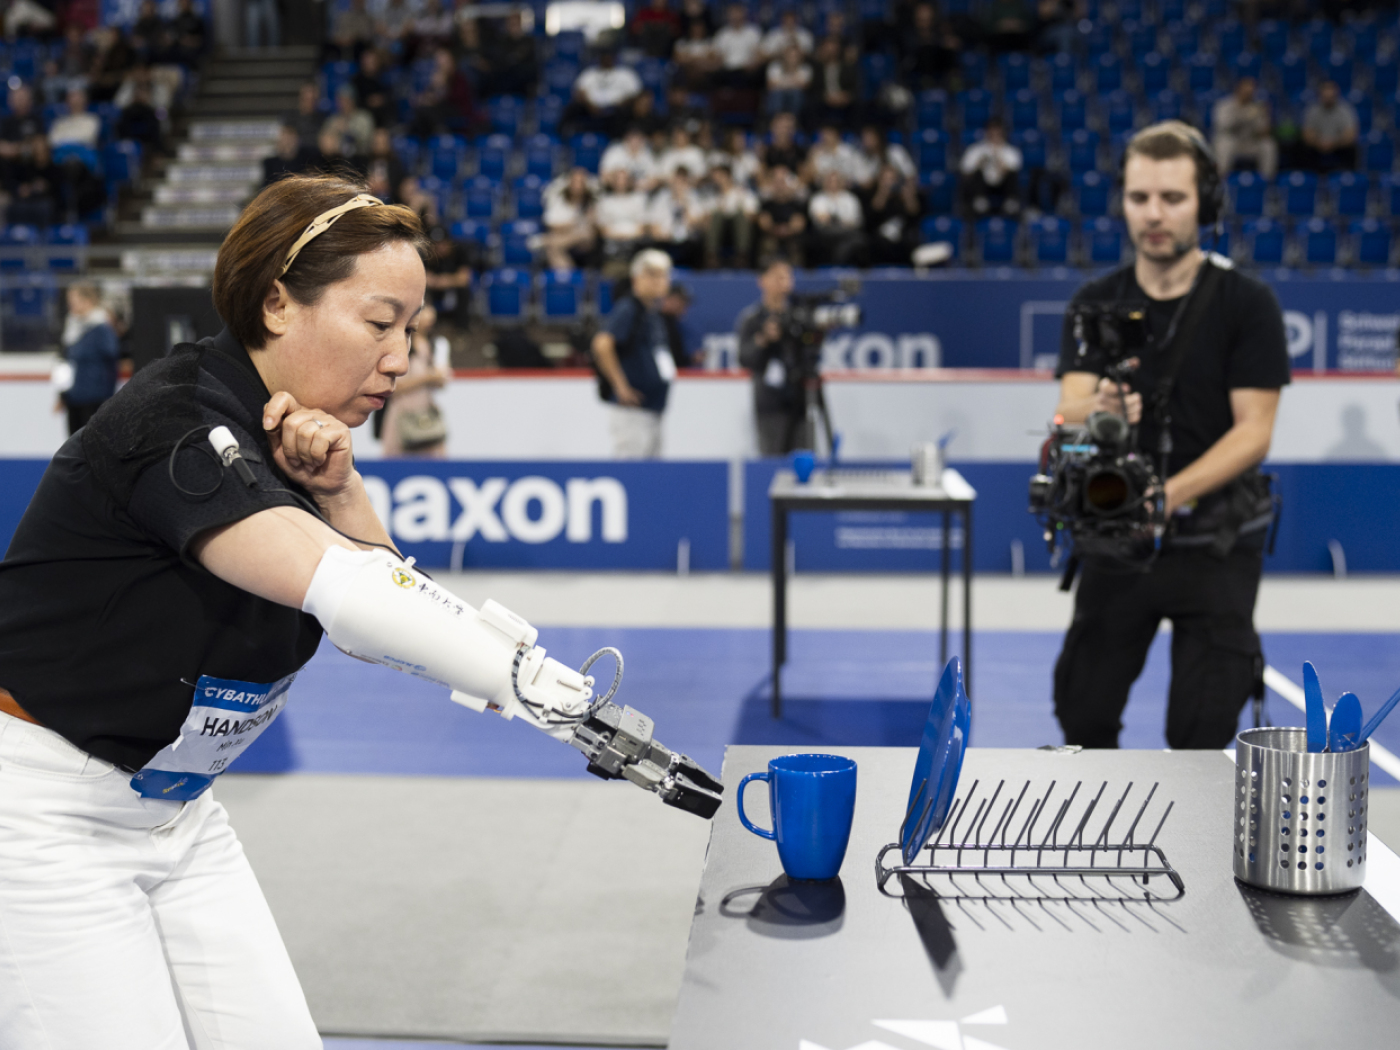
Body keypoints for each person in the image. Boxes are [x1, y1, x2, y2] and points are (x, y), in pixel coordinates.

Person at [0, 175, 619, 1047]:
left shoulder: (298, 440)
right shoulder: (175, 423)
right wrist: (543, 688)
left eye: (410, 329)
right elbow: (352, 596)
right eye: (379, 324)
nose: (400, 357)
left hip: (179, 810)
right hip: (41, 816)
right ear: (278, 302)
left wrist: (345, 489)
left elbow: (393, 606)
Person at [1052, 121, 1290, 750]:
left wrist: (1165, 497)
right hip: (1115, 543)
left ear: (1205, 204)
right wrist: (1097, 404)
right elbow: (1069, 405)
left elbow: (1254, 433)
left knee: (1202, 732)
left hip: (1214, 544)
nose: (1153, 215)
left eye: (1172, 198)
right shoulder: (1095, 301)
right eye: (1139, 198)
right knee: (1083, 712)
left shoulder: (1247, 303)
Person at [590, 249, 675, 458]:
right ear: (637, 278)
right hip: (632, 410)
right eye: (651, 274)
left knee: (650, 477)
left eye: (663, 275)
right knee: (632, 472)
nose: (658, 281)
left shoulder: (652, 313)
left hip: (652, 408)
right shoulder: (629, 308)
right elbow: (602, 344)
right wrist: (621, 387)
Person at [736, 259, 810, 455]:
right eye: (777, 276)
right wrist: (764, 339)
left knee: (804, 458)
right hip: (769, 404)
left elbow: (810, 353)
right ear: (762, 281)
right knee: (772, 460)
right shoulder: (752, 319)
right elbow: (744, 359)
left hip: (800, 399)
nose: (783, 282)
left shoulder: (800, 316)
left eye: (787, 276)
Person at [381, 302, 451, 456]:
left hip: (427, 414)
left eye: (430, 310)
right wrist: (426, 378)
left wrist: (433, 378)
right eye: (423, 310)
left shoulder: (437, 344)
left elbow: (442, 380)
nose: (428, 316)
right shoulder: (396, 344)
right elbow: (392, 388)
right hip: (401, 414)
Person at [57, 281, 120, 434]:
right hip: (74, 397)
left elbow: (112, 360)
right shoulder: (72, 328)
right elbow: (65, 362)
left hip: (95, 399)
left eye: (74, 301)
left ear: (88, 301)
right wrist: (62, 394)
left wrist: (107, 398)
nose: (70, 305)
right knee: (73, 445)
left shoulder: (102, 328)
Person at [1211, 77, 1278, 180]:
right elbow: (1223, 126)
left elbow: (1263, 131)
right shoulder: (1225, 105)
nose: (1248, 93)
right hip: (1233, 141)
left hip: (1250, 142)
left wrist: (1265, 115)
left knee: (1268, 145)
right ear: (1238, 90)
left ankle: (1267, 182)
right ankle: (1220, 179)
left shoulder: (1257, 106)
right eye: (1245, 90)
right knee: (1224, 143)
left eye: (1251, 91)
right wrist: (1242, 115)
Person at [959, 117, 1022, 217]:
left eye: (998, 132)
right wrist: (980, 163)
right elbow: (966, 171)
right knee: (976, 174)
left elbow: (1013, 170)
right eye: (992, 131)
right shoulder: (975, 149)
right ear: (986, 132)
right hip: (981, 186)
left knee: (1012, 174)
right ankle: (979, 202)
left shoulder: (1011, 151)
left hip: (1002, 186)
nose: (994, 135)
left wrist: (999, 159)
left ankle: (1011, 203)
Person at [541, 166, 598, 270]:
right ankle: (570, 277)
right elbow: (552, 225)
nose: (578, 186)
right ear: (569, 183)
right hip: (565, 239)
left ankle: (546, 240)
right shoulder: (559, 200)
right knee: (553, 249)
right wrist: (572, 226)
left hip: (587, 242)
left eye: (581, 182)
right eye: (575, 182)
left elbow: (593, 228)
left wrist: (570, 227)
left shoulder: (592, 201)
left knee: (553, 242)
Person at [704, 163, 758, 267]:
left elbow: (752, 215)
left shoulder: (742, 193)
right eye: (714, 177)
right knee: (716, 216)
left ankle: (742, 254)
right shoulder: (711, 196)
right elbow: (705, 217)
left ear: (727, 176)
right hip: (718, 231)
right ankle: (711, 255)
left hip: (737, 230)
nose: (716, 180)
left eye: (719, 176)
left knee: (740, 216)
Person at [808, 170, 866, 266]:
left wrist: (834, 220)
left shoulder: (850, 199)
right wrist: (840, 222)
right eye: (830, 181)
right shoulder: (818, 198)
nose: (833, 184)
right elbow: (821, 220)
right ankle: (839, 261)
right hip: (825, 233)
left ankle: (838, 260)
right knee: (857, 238)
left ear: (841, 182)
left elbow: (855, 221)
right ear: (824, 183)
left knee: (855, 238)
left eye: (835, 181)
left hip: (847, 231)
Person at [1301, 81, 1358, 173]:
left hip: (1338, 146)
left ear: (1336, 96)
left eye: (1331, 97)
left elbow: (1350, 135)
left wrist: (1333, 143)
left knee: (1352, 148)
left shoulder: (1345, 110)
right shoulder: (1312, 110)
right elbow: (1307, 134)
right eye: (1325, 97)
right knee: (1304, 148)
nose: (1328, 99)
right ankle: (1308, 178)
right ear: (1320, 96)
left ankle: (1347, 177)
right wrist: (1319, 143)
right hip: (1318, 146)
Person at [756, 165, 807, 265]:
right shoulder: (767, 204)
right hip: (771, 235)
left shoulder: (796, 204)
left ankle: (797, 270)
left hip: (792, 235)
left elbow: (799, 223)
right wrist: (775, 230)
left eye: (782, 183)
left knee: (796, 245)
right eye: (776, 183)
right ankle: (766, 269)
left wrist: (788, 230)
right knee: (767, 244)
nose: (779, 186)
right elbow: (763, 222)